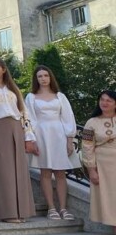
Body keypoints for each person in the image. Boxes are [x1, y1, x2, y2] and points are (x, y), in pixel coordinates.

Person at [0, 58, 38, 223]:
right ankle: (8, 212)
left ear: (3, 69)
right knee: (3, 172)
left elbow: (24, 112)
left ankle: (22, 211)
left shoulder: (13, 88)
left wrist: (28, 137)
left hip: (16, 128)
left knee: (20, 170)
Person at [25, 66, 79, 220]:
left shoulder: (60, 96)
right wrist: (32, 139)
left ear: (50, 77)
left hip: (59, 134)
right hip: (41, 134)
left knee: (60, 173)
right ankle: (51, 208)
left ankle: (63, 208)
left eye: (46, 75)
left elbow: (68, 117)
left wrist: (70, 140)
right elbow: (29, 119)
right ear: (36, 79)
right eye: (40, 76)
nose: (43, 79)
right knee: (46, 172)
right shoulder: (31, 97)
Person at [82, 90, 116, 230]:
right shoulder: (91, 122)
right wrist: (91, 170)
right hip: (103, 166)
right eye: (102, 99)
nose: (104, 103)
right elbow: (86, 146)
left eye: (109, 100)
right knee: (111, 201)